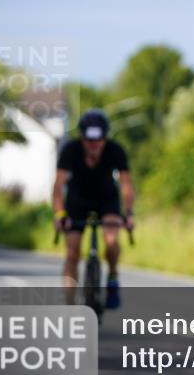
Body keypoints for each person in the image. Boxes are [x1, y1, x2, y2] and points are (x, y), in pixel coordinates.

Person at [52, 109, 135, 308]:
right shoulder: (70, 150)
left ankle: (113, 277)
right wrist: (59, 214)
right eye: (89, 140)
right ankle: (69, 304)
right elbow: (58, 186)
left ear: (105, 137)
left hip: (107, 200)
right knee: (72, 252)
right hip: (77, 201)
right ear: (82, 137)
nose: (94, 145)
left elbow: (126, 185)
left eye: (99, 140)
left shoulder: (116, 150)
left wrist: (129, 213)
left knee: (112, 241)